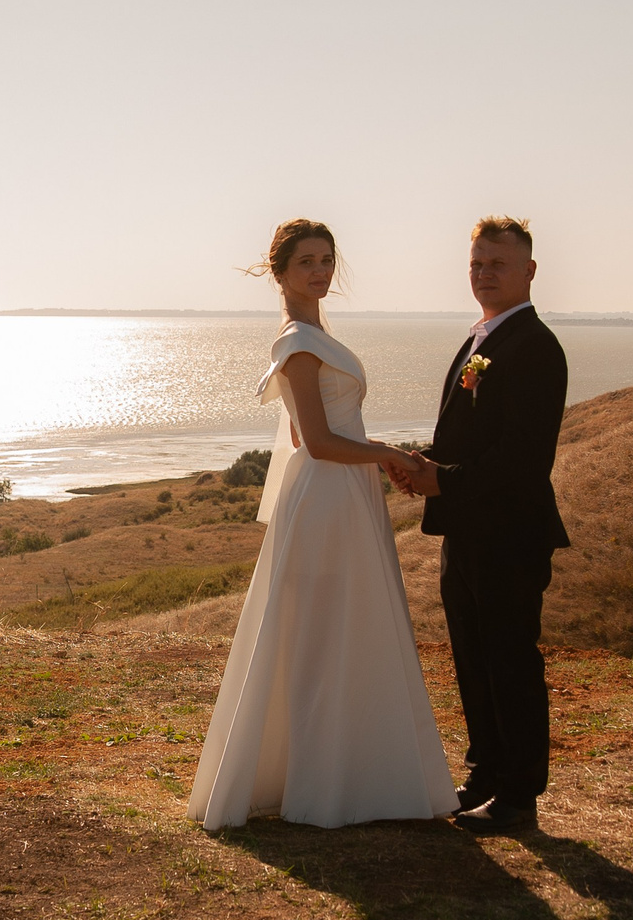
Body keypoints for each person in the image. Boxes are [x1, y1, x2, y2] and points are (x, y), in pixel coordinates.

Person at [186, 220, 460, 831]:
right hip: (329, 495)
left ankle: (351, 770)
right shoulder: (298, 343)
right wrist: (386, 454)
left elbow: (299, 432)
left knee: (347, 622)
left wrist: (371, 458)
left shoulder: (314, 335)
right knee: (323, 627)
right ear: (279, 272)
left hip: (343, 491)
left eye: (327, 260)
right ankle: (321, 780)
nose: (320, 271)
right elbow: (315, 441)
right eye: (306, 261)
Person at [389, 216, 571, 834]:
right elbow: (469, 436)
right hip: (468, 530)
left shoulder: (534, 345)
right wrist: (422, 466)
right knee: (472, 657)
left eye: (497, 263)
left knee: (509, 659)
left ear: (529, 271)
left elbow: (523, 457)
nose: (484, 273)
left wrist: (444, 480)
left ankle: (519, 796)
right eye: (476, 263)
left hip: (510, 533)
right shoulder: (482, 339)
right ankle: (486, 775)